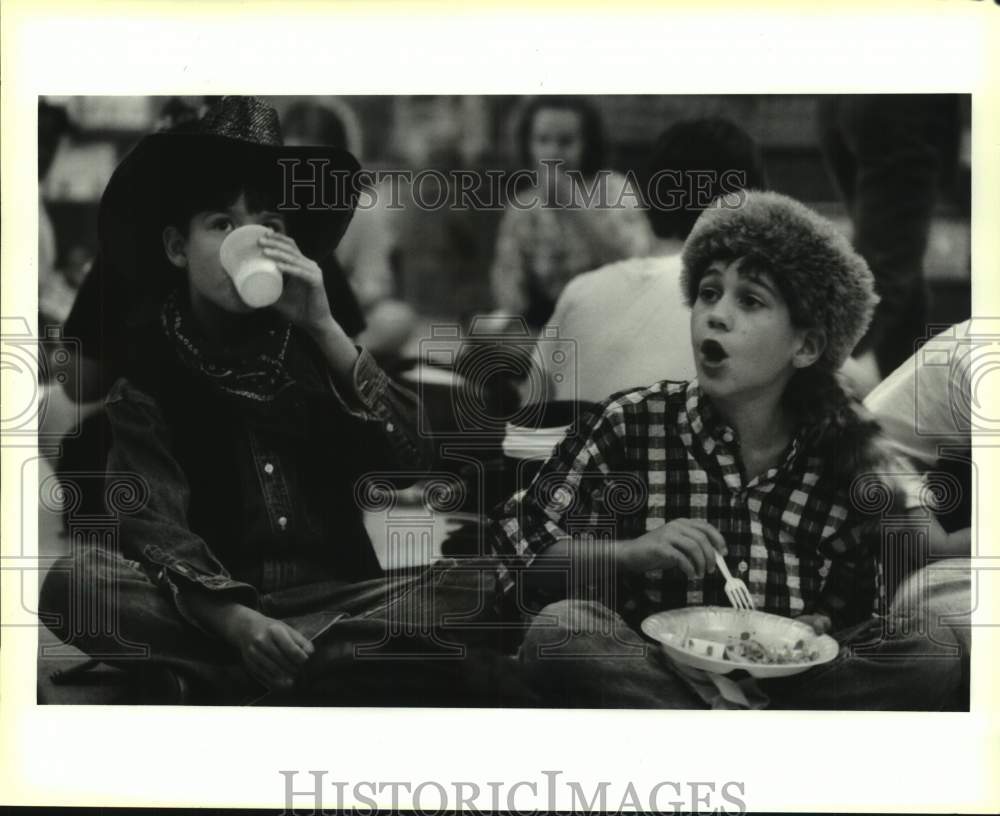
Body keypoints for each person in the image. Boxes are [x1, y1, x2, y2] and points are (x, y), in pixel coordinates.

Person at [39, 97, 530, 706]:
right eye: (222, 223)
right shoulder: (148, 366)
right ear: (176, 247)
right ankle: (311, 668)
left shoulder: (315, 344)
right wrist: (238, 623)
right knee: (76, 583)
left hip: (337, 600)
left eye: (268, 225)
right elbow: (154, 529)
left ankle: (232, 675)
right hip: (209, 609)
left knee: (486, 580)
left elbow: (415, 462)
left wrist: (328, 331)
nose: (250, 240)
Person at [491, 191, 967, 710]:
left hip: (789, 684)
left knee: (931, 651)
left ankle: (720, 741)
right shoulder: (633, 420)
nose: (715, 315)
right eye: (708, 293)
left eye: (750, 300)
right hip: (655, 671)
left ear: (805, 347)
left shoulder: (847, 444)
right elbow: (518, 547)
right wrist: (630, 554)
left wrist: (817, 630)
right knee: (562, 630)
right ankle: (746, 746)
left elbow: (859, 607)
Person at [537, 118, 766, 402]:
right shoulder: (759, 314)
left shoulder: (579, 293)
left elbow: (528, 419)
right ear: (750, 208)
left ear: (647, 198)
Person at [818, 95, 962, 396]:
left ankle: (907, 408)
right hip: (902, 102)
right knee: (886, 274)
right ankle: (800, 389)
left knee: (896, 273)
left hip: (848, 95)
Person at [490, 96, 652, 329]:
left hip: (612, 320)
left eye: (566, 142)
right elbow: (509, 288)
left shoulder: (613, 189)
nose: (553, 153)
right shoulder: (522, 206)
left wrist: (573, 208)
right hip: (549, 328)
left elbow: (636, 266)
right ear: (528, 145)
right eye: (543, 140)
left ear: (587, 144)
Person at [282, 101, 416, 361]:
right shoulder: (267, 204)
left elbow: (375, 284)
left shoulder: (362, 210)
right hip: (276, 312)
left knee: (395, 319)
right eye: (292, 162)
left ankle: (337, 352)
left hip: (337, 317)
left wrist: (326, 292)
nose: (304, 174)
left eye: (317, 163)